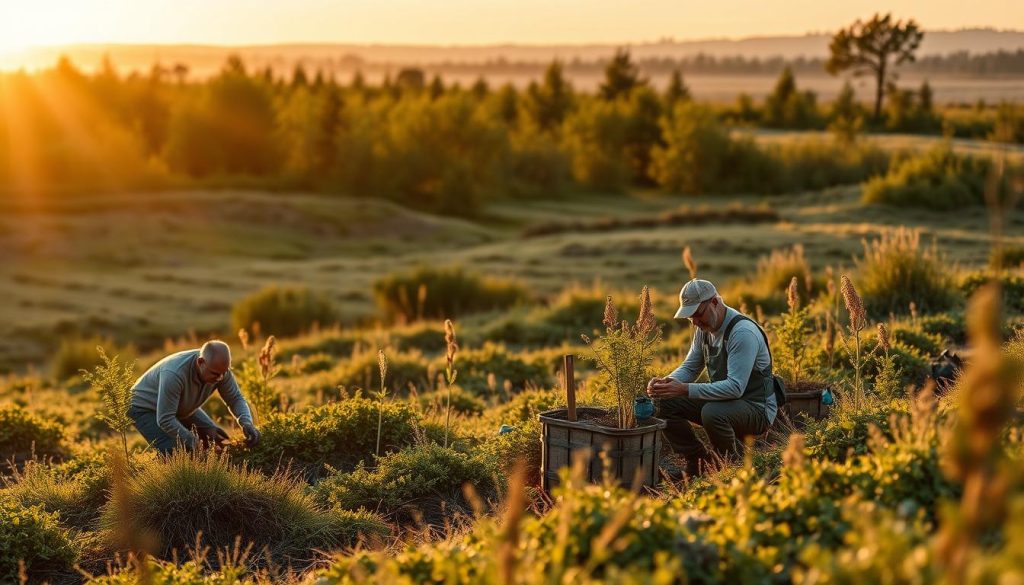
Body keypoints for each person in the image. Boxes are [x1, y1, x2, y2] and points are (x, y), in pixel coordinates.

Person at [647, 279, 776, 477]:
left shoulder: (742, 333)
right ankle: (698, 462)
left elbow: (735, 388)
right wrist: (666, 384)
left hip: (756, 408)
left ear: (714, 302)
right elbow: (690, 367)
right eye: (690, 318)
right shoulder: (704, 329)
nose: (696, 322)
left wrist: (684, 389)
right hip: (726, 402)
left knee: (713, 412)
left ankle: (731, 468)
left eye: (698, 314)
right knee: (665, 402)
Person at [128, 340, 261, 455]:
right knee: (178, 451)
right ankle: (160, 474)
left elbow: (235, 398)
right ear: (201, 362)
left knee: (215, 436)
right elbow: (165, 419)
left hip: (178, 405)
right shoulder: (174, 375)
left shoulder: (218, 368)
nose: (220, 378)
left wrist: (246, 422)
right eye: (215, 374)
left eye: (224, 373)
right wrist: (194, 442)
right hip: (143, 408)